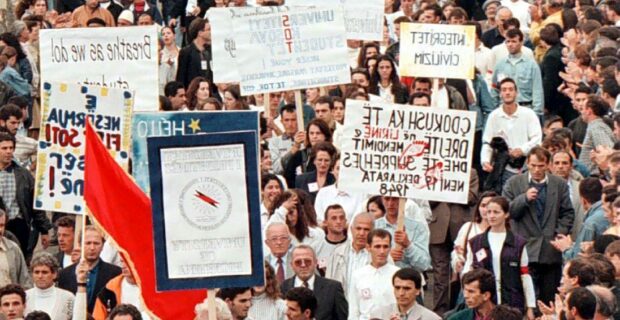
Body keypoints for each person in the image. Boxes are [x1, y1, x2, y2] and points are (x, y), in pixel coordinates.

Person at [503, 146, 574, 305]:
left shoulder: (559, 184)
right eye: (533, 165)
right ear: (527, 163)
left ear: (548, 165)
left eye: (541, 166)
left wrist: (559, 233)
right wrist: (524, 199)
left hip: (550, 251)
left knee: (548, 299)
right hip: (524, 250)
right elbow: (507, 212)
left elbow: (568, 213)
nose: (536, 170)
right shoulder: (513, 183)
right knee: (527, 300)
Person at [463, 196, 535, 316]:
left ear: (506, 214)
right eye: (489, 212)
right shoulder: (475, 242)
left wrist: (530, 306)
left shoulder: (518, 243)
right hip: (485, 303)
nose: (491, 215)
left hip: (512, 303)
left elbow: (525, 275)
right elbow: (468, 271)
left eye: (496, 212)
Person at [481, 78, 542, 189]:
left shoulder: (529, 114)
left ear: (516, 92)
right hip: (503, 167)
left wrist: (522, 150)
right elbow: (487, 142)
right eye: (504, 90)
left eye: (510, 89)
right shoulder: (494, 116)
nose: (507, 92)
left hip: (526, 166)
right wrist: (485, 160)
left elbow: (537, 139)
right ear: (500, 94)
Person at [0, 132, 52, 259]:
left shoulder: (23, 175)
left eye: (11, 148)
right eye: (4, 148)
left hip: (19, 225)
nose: (8, 152)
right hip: (1, 224)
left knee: (19, 261)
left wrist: (44, 230)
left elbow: (35, 202)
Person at [57, 226, 121, 313]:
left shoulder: (115, 273)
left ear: (102, 246)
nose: (92, 248)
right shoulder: (65, 274)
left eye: (96, 243)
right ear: (80, 244)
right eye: (88, 243)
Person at [280, 245, 347, 320]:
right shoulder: (282, 287)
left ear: (315, 262)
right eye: (298, 262)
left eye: (307, 261)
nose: (303, 265)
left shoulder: (333, 288)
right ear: (292, 265)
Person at [348, 229, 400, 319]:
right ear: (368, 247)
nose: (382, 251)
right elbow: (353, 309)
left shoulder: (398, 274)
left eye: (385, 246)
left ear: (390, 248)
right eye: (377, 246)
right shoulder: (358, 275)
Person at [551, 177, 608, 261]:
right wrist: (573, 245)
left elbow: (578, 258)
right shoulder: (609, 212)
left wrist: (565, 248)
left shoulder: (591, 223)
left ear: (583, 200)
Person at [490, 29, 544, 116]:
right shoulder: (500, 65)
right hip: (504, 109)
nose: (510, 45)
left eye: (514, 41)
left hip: (526, 108)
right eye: (508, 42)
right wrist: (495, 109)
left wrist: (536, 113)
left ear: (521, 42)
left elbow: (537, 91)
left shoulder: (531, 65)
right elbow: (494, 89)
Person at [376, 196, 431, 271]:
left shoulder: (417, 227)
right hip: (381, 277)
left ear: (404, 200)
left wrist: (408, 245)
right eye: (387, 199)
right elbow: (365, 258)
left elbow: (424, 264)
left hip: (408, 278)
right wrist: (387, 256)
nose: (390, 203)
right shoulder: (374, 226)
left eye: (395, 199)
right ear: (382, 200)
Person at [325, 212, 374, 293]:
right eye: (358, 228)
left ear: (373, 231)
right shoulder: (337, 252)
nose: (362, 233)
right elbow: (328, 282)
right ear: (351, 229)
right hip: (341, 303)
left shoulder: (379, 254)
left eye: (366, 229)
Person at [452, 192, 497, 278]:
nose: (486, 209)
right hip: (469, 279)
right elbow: (457, 251)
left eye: (490, 206)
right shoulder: (468, 227)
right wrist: (458, 261)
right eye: (483, 205)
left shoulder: (501, 232)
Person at [282, 119, 332, 189]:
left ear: (325, 135)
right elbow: (288, 177)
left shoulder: (334, 154)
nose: (314, 136)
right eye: (311, 133)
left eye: (318, 133)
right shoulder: (300, 155)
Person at [25, 252, 74, 319]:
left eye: (44, 272)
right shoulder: (25, 297)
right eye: (36, 272)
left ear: (54, 274)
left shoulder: (68, 298)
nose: (40, 276)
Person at [578, 95, 615, 174]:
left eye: (582, 108)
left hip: (595, 177)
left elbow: (608, 154)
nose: (581, 112)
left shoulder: (597, 128)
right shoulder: (595, 126)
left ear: (589, 111)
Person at [176, 18, 213, 89]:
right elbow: (181, 77)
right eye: (209, 29)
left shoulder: (210, 51)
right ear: (200, 33)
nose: (211, 32)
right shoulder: (186, 52)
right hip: (192, 93)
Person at [0, 208, 31, 289]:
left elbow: (24, 281)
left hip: (10, 300)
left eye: (2, 225)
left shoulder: (13, 249)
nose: (0, 230)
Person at [269, 104, 299, 175]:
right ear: (281, 121)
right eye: (286, 120)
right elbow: (276, 168)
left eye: (293, 120)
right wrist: (293, 150)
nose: (290, 124)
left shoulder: (307, 139)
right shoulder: (274, 142)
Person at [159, 27, 179, 95]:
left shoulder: (182, 52)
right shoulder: (160, 54)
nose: (166, 35)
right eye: (163, 34)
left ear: (174, 35)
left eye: (168, 33)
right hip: (164, 88)